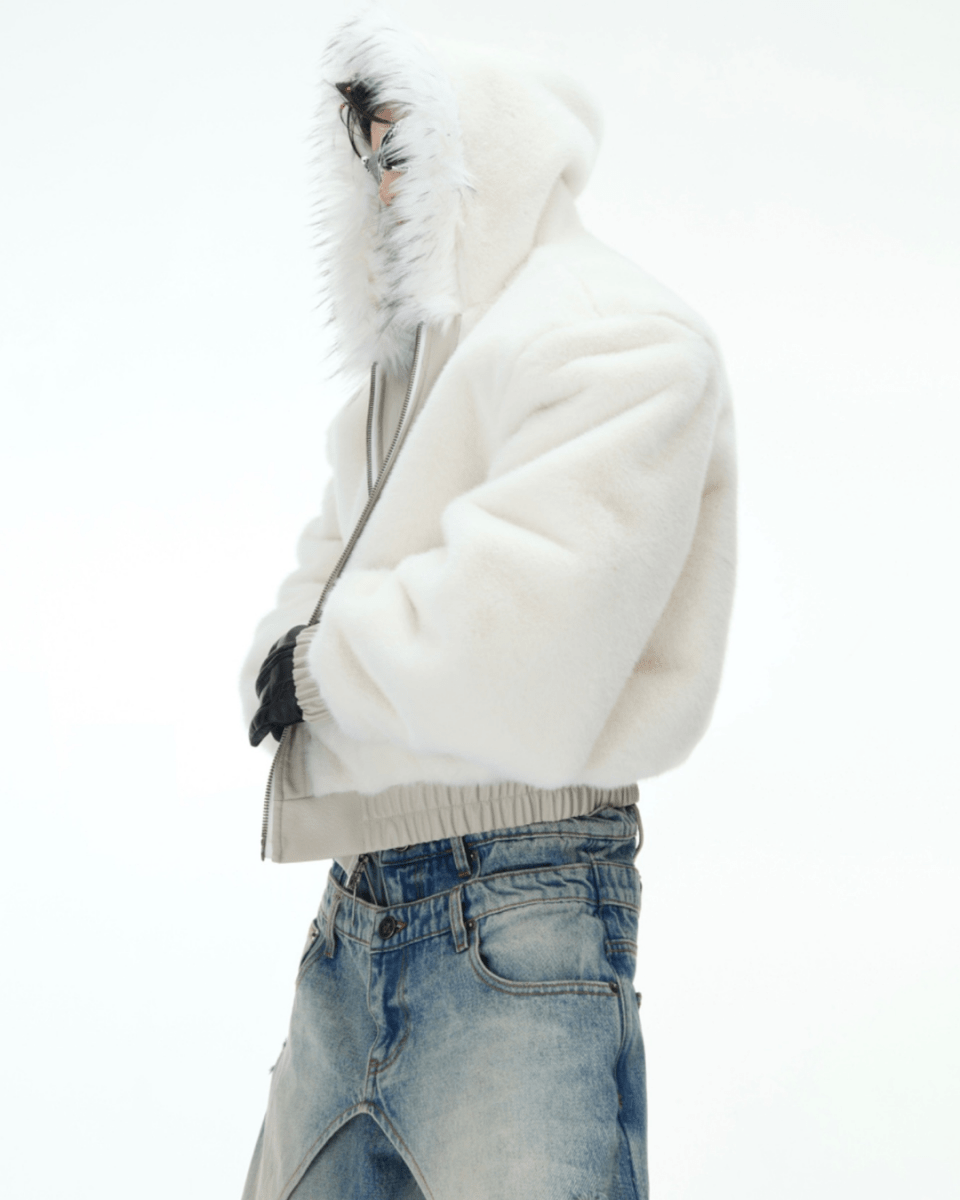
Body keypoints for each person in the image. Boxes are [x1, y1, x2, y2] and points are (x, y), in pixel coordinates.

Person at [239, 6, 736, 1199]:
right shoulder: (418, 368)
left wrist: (313, 669)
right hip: (359, 902)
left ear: (485, 146)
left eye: (407, 153)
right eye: (371, 162)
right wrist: (294, 644)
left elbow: (522, 642)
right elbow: (331, 558)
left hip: (525, 903)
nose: (387, 188)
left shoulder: (619, 336)